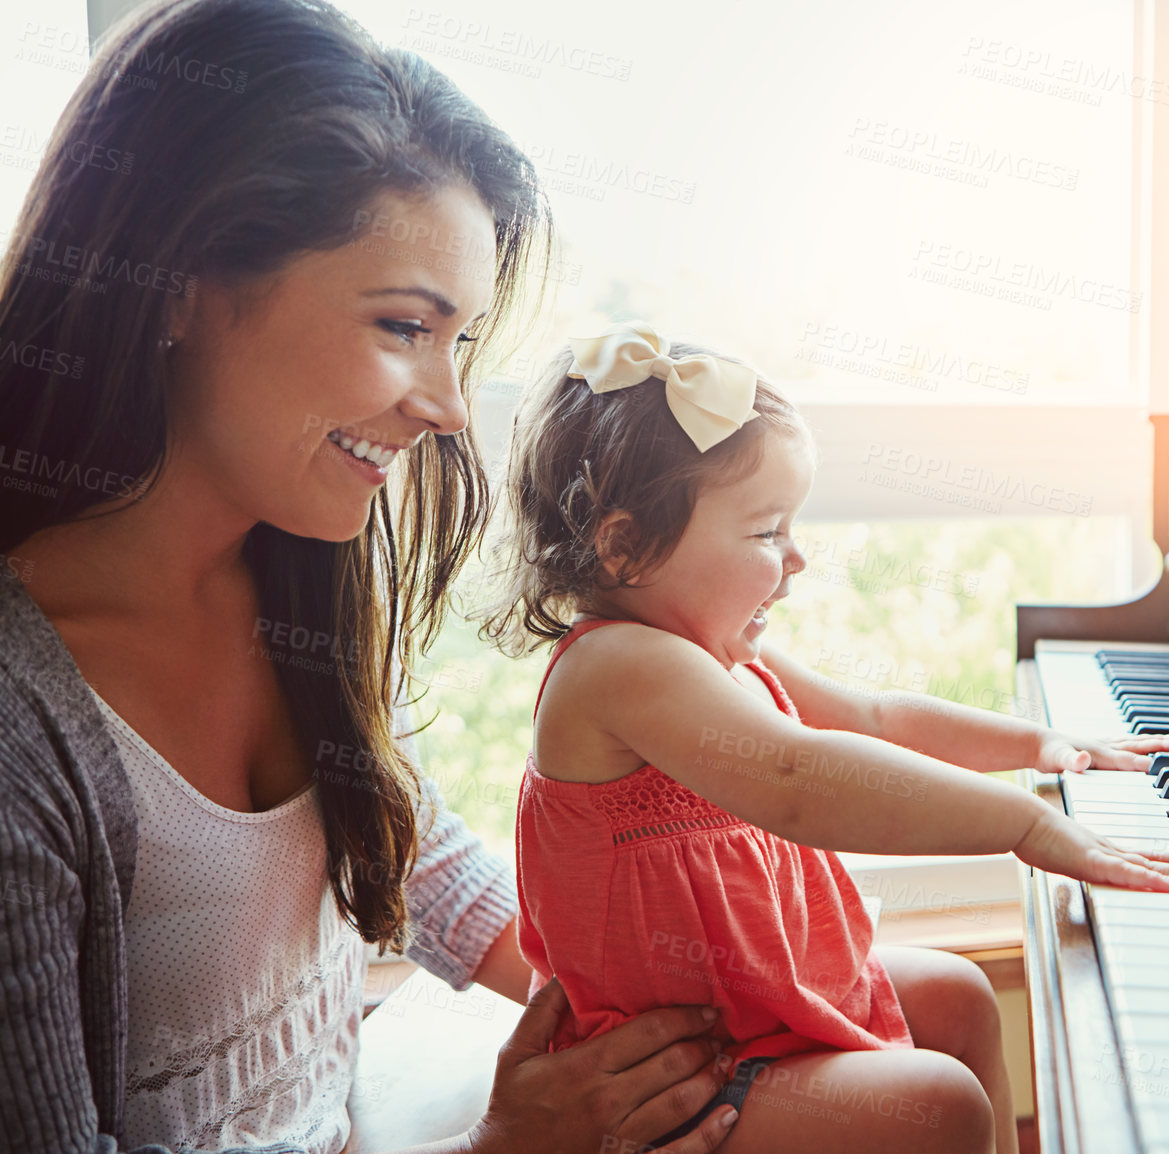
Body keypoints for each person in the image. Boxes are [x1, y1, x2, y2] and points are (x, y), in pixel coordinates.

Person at [0, 1, 741, 1151]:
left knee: (908, 1019)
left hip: (362, 1121)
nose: (446, 406)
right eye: (404, 324)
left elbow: (401, 835)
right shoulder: (21, 720)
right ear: (177, 279)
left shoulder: (293, 570)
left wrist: (626, 1004)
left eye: (461, 342)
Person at [479, 322, 1169, 1154]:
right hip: (680, 1075)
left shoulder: (712, 654)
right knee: (939, 1102)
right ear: (624, 547)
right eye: (766, 533)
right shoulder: (616, 667)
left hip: (756, 1016)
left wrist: (1038, 744)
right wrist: (1026, 825)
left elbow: (872, 719)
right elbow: (801, 780)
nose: (795, 559)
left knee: (963, 996)